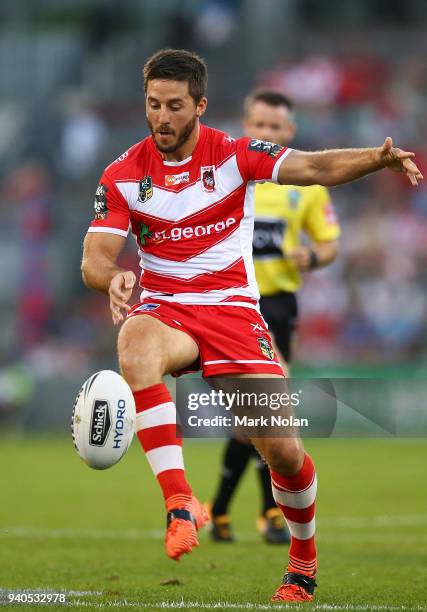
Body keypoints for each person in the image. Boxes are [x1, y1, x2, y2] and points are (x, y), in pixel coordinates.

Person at [81, 49, 422, 603]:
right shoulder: (123, 174)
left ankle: (303, 563)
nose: (161, 118)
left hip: (233, 316)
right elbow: (95, 254)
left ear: (199, 106)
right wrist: (112, 280)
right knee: (134, 343)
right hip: (167, 310)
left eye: (174, 106)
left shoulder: (234, 155)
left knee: (283, 452)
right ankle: (179, 502)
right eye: (152, 105)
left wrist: (375, 158)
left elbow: (312, 168)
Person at [209, 90, 340, 545]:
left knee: (256, 418)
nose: (266, 134)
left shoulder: (305, 187)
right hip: (232, 304)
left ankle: (226, 510)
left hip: (279, 304)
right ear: (246, 127)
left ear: (290, 133)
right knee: (262, 414)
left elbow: (329, 243)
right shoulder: (226, 177)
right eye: (258, 126)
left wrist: (313, 256)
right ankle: (264, 513)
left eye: (275, 127)